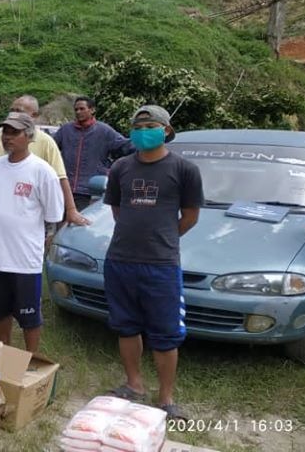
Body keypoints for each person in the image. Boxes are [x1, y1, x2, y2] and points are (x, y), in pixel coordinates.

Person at [103, 105, 203, 421]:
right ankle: (134, 385)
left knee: (165, 333)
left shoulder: (185, 169)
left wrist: (162, 238)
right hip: (119, 260)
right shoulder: (120, 167)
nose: (143, 129)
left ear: (166, 131)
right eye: (138, 124)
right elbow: (118, 211)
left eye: (150, 124)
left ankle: (166, 399)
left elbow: (190, 217)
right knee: (126, 326)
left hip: (161, 264)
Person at [0, 112, 64, 352]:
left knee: (29, 315)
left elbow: (53, 216)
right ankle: (4, 354)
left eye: (14, 132)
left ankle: (31, 360)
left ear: (29, 136)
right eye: (5, 132)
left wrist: (47, 242)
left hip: (24, 258)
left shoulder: (42, 171)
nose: (8, 137)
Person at [0, 95, 91, 227]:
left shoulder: (46, 142)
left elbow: (61, 178)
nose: (13, 115)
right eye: (12, 110)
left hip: (31, 215)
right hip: (2, 212)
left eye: (19, 111)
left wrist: (71, 210)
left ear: (35, 115)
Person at [52, 96, 134, 211]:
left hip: (90, 191)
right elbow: (51, 149)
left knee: (80, 225)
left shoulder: (104, 131)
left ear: (92, 110)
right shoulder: (65, 130)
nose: (78, 112)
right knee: (61, 226)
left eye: (82, 109)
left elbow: (125, 147)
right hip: (64, 188)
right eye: (76, 109)